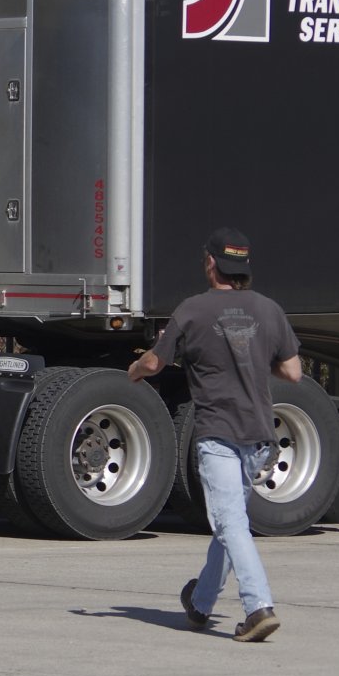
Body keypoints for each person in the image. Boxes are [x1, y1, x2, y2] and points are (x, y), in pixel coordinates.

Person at [128, 228, 302, 642]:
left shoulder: (192, 311)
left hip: (219, 434)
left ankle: (258, 606)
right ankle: (201, 603)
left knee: (231, 524)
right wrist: (254, 360)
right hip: (259, 436)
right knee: (230, 525)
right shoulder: (269, 309)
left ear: (210, 263)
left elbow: (155, 363)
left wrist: (133, 370)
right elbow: (293, 372)